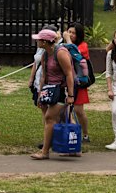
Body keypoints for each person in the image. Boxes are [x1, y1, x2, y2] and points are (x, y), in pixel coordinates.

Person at [30, 28, 75, 160]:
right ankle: (74, 148)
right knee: (60, 118)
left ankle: (45, 151)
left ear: (45, 41)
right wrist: (41, 94)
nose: (37, 41)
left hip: (62, 90)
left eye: (39, 39)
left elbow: (69, 74)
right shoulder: (45, 54)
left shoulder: (60, 53)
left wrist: (71, 95)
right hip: (51, 89)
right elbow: (44, 75)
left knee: (50, 118)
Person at [63, 23, 91, 143]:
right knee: (66, 110)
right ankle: (71, 134)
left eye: (74, 33)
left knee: (79, 110)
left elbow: (76, 55)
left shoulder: (83, 46)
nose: (71, 35)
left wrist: (68, 40)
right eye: (69, 32)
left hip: (79, 83)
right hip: (67, 81)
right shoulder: (63, 45)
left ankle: (85, 134)